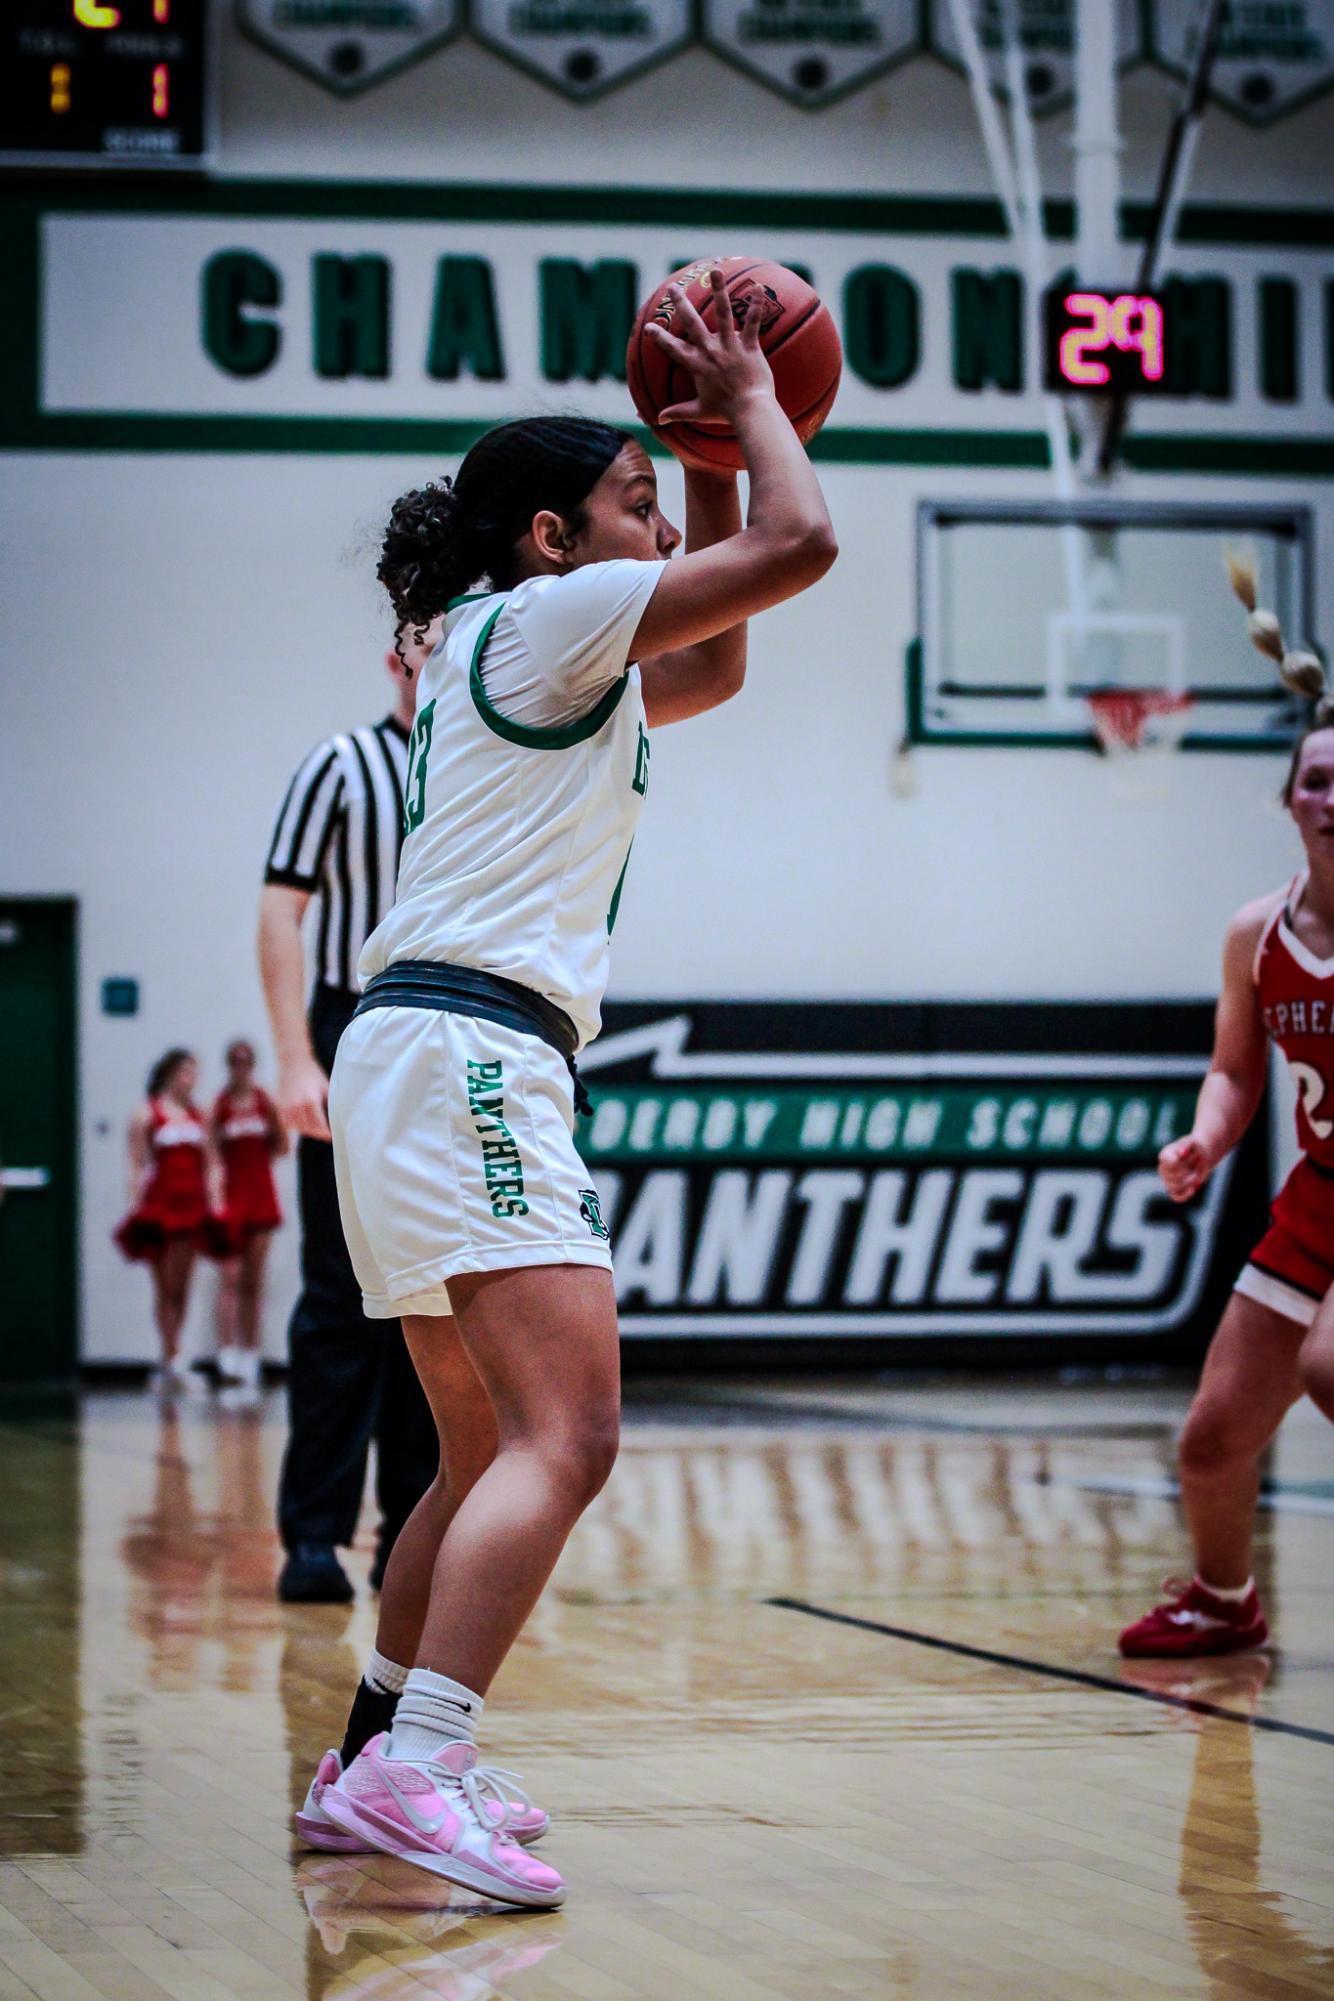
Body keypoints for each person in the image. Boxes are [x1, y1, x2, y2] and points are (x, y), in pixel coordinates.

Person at [303, 271, 836, 1908]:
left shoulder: (527, 641)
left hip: (416, 1052)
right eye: (631, 499)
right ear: (547, 536)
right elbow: (803, 553)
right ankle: (417, 1769)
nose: (662, 527)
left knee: (476, 1451)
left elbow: (727, 659)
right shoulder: (542, 621)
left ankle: (374, 1753)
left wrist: (700, 456)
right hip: (471, 1052)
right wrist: (755, 402)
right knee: (570, 1431)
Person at [1121, 650, 1334, 1658]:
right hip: (1313, 1200)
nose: (1330, 796)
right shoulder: (1257, 933)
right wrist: (1205, 1137)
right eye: (1316, 779)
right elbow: (1235, 1072)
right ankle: (1220, 1599)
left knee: (1328, 1367)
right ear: (1288, 800)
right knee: (1210, 1439)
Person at [260, 646, 441, 1603]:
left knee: (434, 1298)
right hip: (351, 1023)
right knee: (339, 1298)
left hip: (449, 1027)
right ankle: (314, 1538)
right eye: (421, 650)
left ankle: (412, 1532)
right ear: (396, 659)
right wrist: (295, 1056)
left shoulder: (483, 756)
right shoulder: (339, 764)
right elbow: (279, 910)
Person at [115, 1048, 219, 1387]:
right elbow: (136, 1162)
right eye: (186, 1072)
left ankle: (177, 1354)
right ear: (171, 1074)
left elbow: (210, 1162)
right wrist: (135, 1203)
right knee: (165, 1285)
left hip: (191, 1205)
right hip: (161, 1205)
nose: (191, 1080)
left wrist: (215, 1200)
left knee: (184, 1284)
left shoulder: (198, 1115)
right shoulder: (147, 1113)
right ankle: (168, 1353)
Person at [212, 1038, 287, 1389]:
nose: (240, 1067)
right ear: (228, 1065)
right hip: (231, 1198)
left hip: (260, 1194)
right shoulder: (220, 1106)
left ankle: (251, 1354)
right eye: (234, 1061)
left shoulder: (263, 1100)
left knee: (254, 1282)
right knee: (229, 1278)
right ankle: (227, 1354)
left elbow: (282, 1144)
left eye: (245, 1061)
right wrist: (216, 1195)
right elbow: (210, 1154)